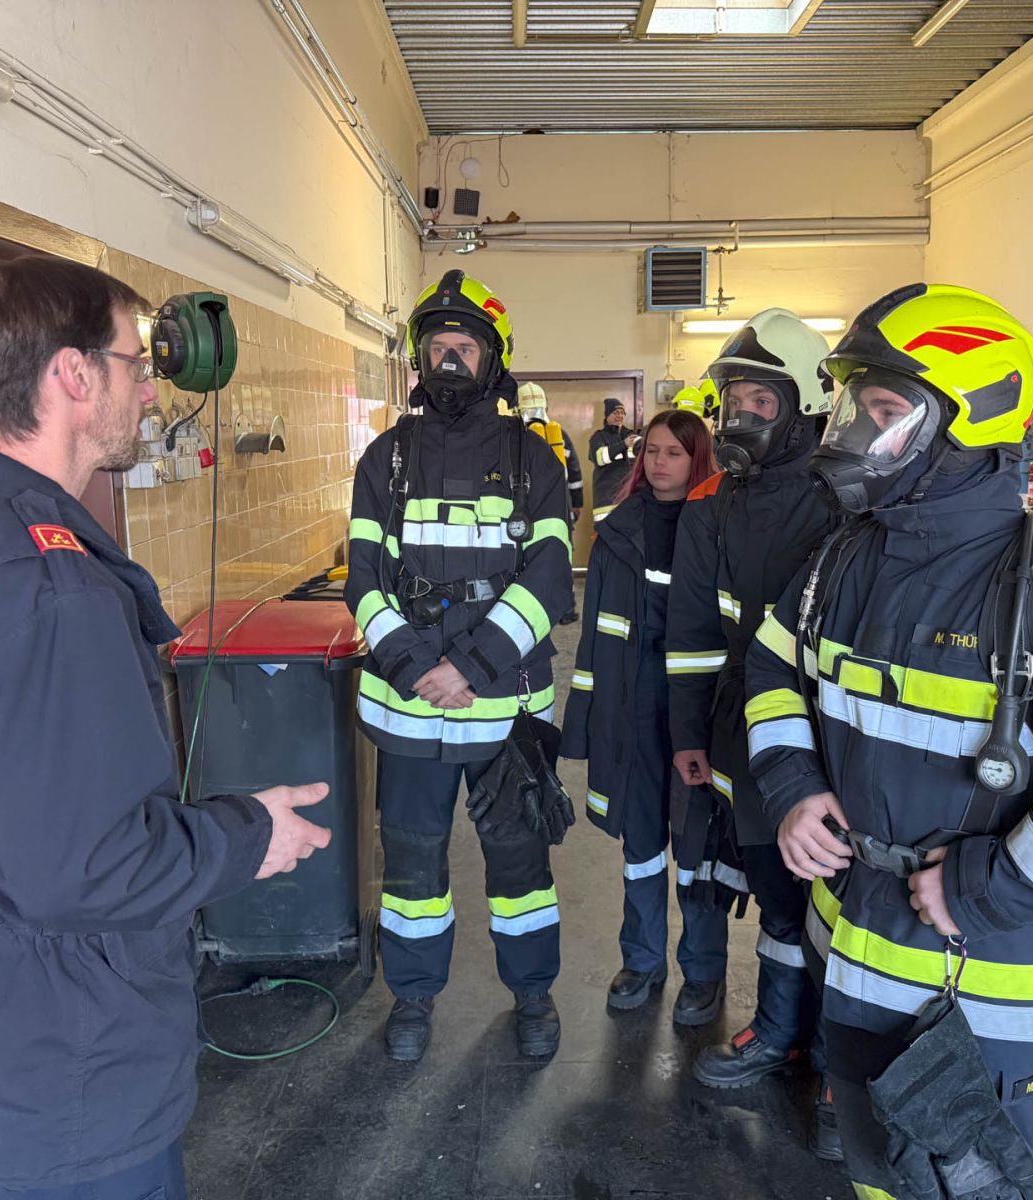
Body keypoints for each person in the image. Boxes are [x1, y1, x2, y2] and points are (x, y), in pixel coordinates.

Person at [0, 254, 331, 1199]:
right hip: (64, 1061)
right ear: (72, 374)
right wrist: (248, 835)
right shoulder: (48, 591)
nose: (150, 390)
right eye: (134, 363)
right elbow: (85, 868)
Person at [744, 283, 1033, 1197]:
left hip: (985, 987)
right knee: (879, 1174)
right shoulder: (841, 559)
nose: (852, 433)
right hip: (855, 950)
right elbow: (769, 668)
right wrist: (792, 786)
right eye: (852, 406)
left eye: (884, 412)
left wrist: (989, 887)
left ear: (971, 420)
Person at [344, 269, 574, 1063]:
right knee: (411, 865)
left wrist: (470, 667)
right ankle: (412, 996)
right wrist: (417, 670)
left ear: (492, 359)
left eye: (464, 347)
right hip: (411, 710)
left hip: (504, 710)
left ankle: (534, 993)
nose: (448, 360)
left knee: (521, 863)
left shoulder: (533, 461)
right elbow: (363, 580)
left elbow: (550, 580)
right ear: (417, 358)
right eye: (437, 345)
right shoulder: (384, 460)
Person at [664, 310, 840, 1128]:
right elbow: (693, 636)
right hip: (744, 736)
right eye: (734, 401)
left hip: (840, 740)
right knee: (777, 895)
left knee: (845, 908)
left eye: (761, 403)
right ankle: (777, 1034)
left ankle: (837, 1064)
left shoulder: (848, 505)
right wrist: (690, 736)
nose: (740, 417)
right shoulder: (710, 510)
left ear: (806, 408)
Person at [560, 409, 724, 1011]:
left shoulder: (720, 527)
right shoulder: (618, 529)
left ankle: (703, 973)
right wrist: (583, 722)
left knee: (699, 846)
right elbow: (594, 639)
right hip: (633, 706)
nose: (658, 462)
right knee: (641, 841)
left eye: (673, 452)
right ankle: (642, 961)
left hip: (698, 709)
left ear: (697, 459)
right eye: (651, 450)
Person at [518, 380, 584, 624]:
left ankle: (531, 609)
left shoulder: (514, 436)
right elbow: (574, 473)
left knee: (527, 557)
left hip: (526, 506)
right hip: (560, 505)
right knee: (562, 553)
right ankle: (566, 609)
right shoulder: (560, 436)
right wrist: (576, 503)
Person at [589, 397, 639, 522]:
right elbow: (599, 458)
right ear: (607, 415)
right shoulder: (598, 437)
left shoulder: (630, 435)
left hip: (628, 499)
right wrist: (623, 444)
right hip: (606, 502)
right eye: (615, 413)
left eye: (622, 413)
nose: (619, 416)